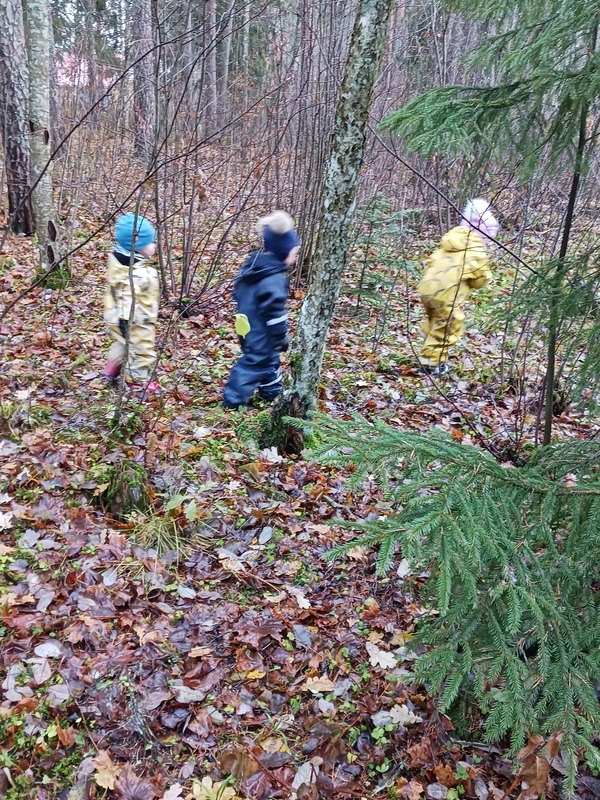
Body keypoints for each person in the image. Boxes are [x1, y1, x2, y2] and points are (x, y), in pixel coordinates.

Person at [223, 210, 300, 409]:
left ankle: (271, 390)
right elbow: (274, 311)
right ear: (284, 252)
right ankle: (232, 401)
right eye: (294, 252)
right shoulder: (274, 277)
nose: (295, 257)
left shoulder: (254, 269)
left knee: (268, 358)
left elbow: (239, 293)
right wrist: (280, 336)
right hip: (260, 329)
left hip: (244, 325)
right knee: (256, 361)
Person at [417, 198, 499, 376]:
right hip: (447, 295)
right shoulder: (475, 249)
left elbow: (432, 260)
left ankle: (426, 349)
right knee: (447, 328)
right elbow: (479, 279)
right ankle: (430, 366)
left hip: (427, 289)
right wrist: (486, 277)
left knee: (433, 321)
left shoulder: (452, 240)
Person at [102, 213, 160, 394]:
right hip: (135, 320)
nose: (154, 246)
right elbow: (127, 295)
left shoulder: (120, 263)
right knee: (141, 350)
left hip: (115, 315)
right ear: (138, 246)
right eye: (152, 242)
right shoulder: (137, 273)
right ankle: (139, 382)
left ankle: (113, 366)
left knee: (122, 343)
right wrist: (126, 320)